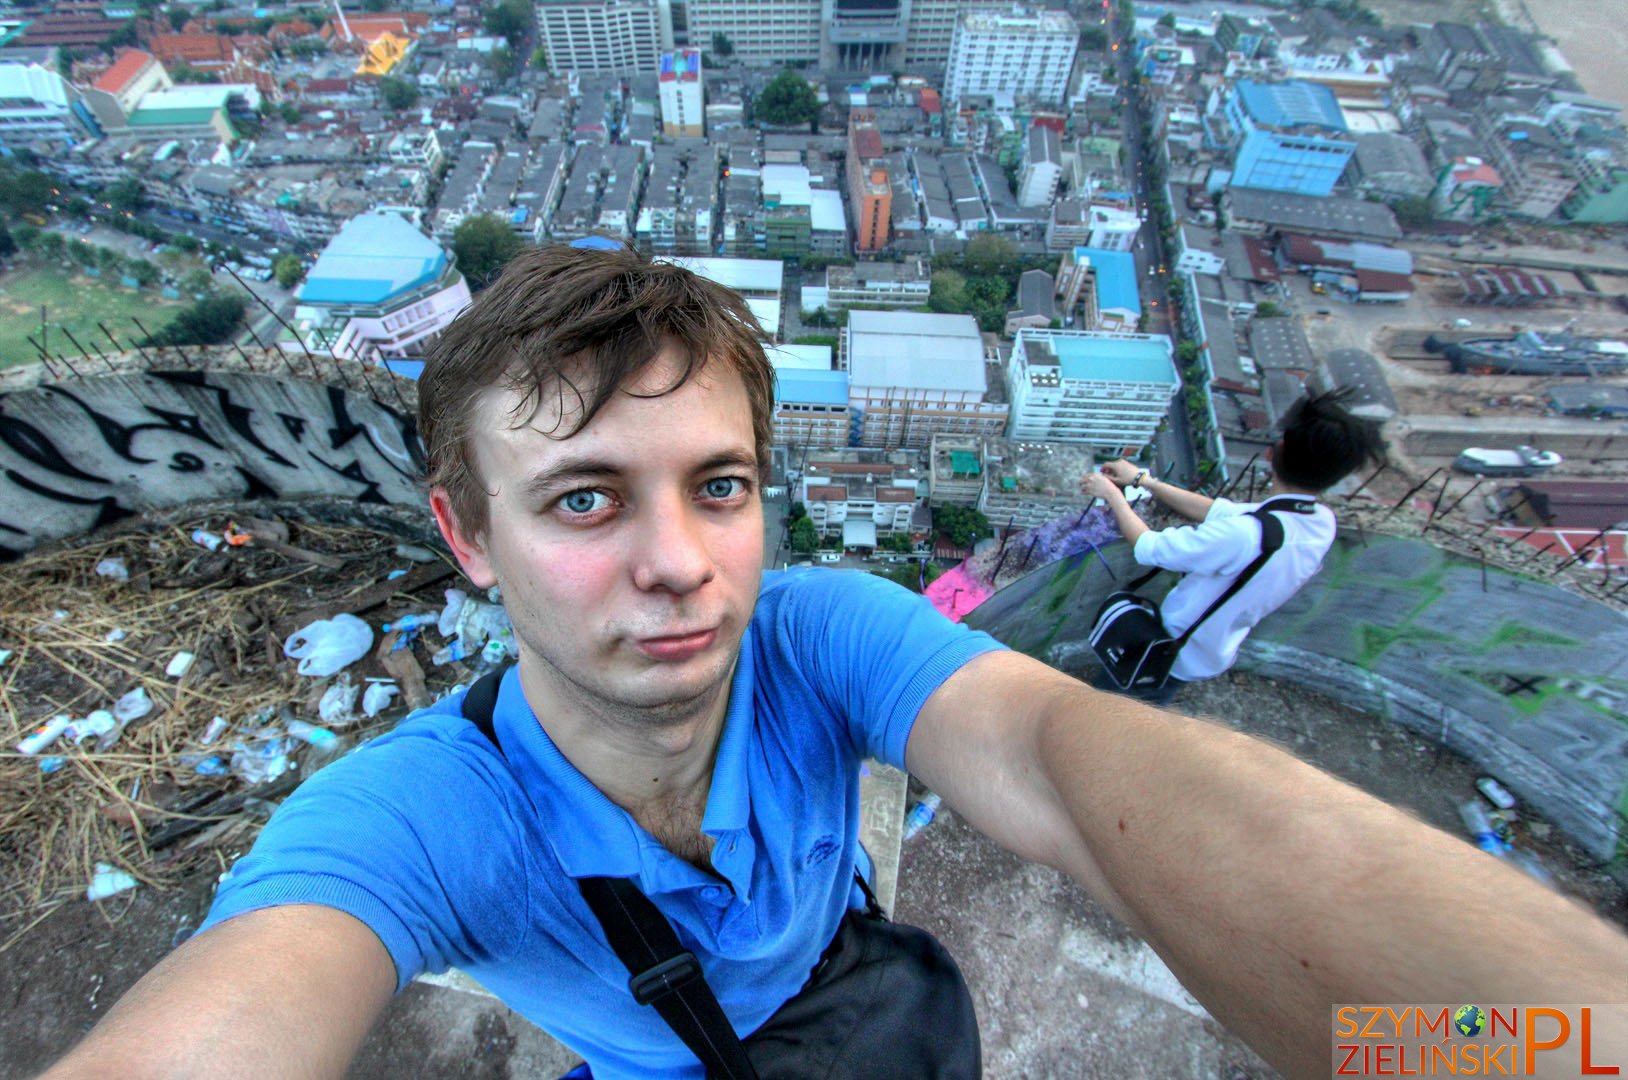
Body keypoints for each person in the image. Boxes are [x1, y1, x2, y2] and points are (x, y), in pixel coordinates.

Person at [42, 247, 1628, 1080]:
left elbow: (1085, 779)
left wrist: (1546, 1049)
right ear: (469, 539)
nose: (680, 560)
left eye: (718, 486)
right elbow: (243, 1008)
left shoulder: (818, 638)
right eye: (585, 498)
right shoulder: (414, 821)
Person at [1079, 390, 1382, 704]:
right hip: (1209, 648)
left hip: (1168, 651)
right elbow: (1216, 511)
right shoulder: (1317, 522)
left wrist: (1111, 494)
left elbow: (1149, 547)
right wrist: (1143, 480)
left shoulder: (1245, 535)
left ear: (1274, 451)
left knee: (1112, 711)